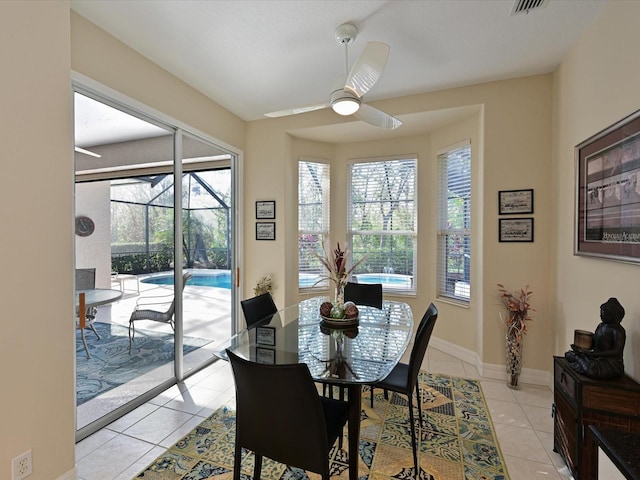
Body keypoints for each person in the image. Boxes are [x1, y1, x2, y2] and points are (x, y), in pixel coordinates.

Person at [565, 297, 626, 379]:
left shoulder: (618, 331)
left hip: (610, 363)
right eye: (601, 312)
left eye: (604, 313)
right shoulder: (601, 326)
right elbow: (595, 342)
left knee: (591, 369)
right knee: (568, 354)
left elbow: (617, 351)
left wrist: (595, 354)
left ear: (612, 314)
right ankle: (579, 357)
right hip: (596, 358)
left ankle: (578, 358)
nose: (601, 315)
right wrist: (581, 347)